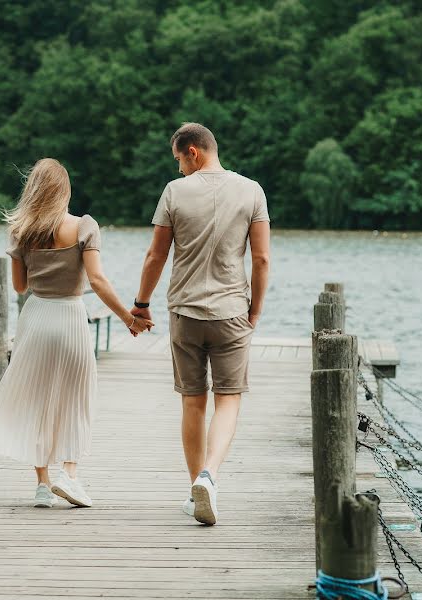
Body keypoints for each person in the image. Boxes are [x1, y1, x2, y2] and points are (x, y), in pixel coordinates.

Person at [0, 158, 152, 508]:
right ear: (64, 190)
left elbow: (19, 286)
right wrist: (127, 317)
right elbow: (97, 281)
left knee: (37, 401)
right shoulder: (84, 227)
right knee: (76, 399)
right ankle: (69, 476)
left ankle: (43, 485)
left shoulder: (20, 230)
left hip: (37, 317)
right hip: (71, 317)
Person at [132, 123, 271, 525]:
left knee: (193, 402)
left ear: (193, 151)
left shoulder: (175, 193)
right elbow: (261, 259)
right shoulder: (252, 190)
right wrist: (255, 310)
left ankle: (196, 487)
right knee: (228, 398)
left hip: (186, 313)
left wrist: (141, 304)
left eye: (178, 159)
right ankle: (210, 475)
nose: (178, 169)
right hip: (231, 313)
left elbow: (155, 256)